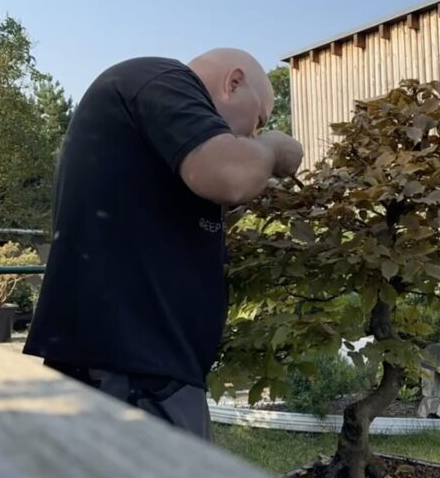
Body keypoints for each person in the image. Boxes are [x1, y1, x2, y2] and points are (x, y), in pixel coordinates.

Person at [23, 49, 303, 440]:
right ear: (233, 82)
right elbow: (230, 173)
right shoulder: (161, 77)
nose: (254, 134)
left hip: (141, 373)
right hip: (135, 375)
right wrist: (271, 148)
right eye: (259, 120)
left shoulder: (157, 133)